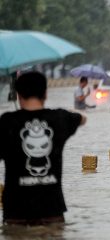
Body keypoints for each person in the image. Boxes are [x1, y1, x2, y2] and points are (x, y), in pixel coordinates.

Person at [0, 71, 86, 225]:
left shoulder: (6, 122)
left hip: (16, 213)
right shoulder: (60, 118)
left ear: (18, 94)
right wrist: (70, 114)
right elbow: (82, 118)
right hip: (52, 212)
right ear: (46, 93)